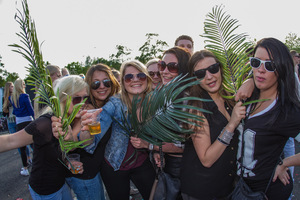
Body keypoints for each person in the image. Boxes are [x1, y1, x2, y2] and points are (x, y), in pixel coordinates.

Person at [58, 60, 156, 200]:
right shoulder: (113, 104)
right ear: (123, 81)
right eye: (129, 77)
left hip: (142, 162)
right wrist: (86, 131)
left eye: (140, 75)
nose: (135, 80)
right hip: (114, 166)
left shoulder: (153, 102)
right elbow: (90, 141)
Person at [0, 75, 85, 200]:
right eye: (77, 99)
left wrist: (68, 162)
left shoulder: (72, 119)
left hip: (60, 184)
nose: (83, 103)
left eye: (86, 98)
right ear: (62, 99)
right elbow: (10, 141)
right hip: (45, 191)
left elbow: (55, 151)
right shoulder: (45, 124)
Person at [237, 38, 300, 199]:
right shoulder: (248, 97)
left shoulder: (286, 111)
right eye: (256, 62)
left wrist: (284, 163)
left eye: (270, 65)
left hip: (268, 191)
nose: (261, 70)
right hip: (240, 188)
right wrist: (248, 80)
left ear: (282, 69)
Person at [180, 50, 246, 199]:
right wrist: (231, 124)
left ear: (220, 68)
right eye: (200, 74)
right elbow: (206, 159)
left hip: (227, 186)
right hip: (203, 190)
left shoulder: (230, 98)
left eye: (213, 69)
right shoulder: (195, 108)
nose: (209, 76)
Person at [130, 47, 191, 200]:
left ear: (183, 69)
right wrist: (157, 151)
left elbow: (182, 145)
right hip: (165, 167)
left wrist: (148, 145)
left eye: (172, 67)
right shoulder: (164, 95)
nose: (164, 71)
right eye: (162, 65)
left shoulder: (185, 100)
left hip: (181, 171)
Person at [64, 64, 120, 200]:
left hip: (96, 171)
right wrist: (67, 161)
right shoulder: (85, 108)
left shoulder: (109, 105)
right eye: (95, 84)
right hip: (85, 176)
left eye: (106, 82)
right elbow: (73, 142)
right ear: (89, 86)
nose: (102, 86)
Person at [9, 78, 35, 176]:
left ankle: (25, 168)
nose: (25, 85)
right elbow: (31, 110)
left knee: (22, 148)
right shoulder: (25, 96)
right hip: (28, 122)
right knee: (34, 145)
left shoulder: (11, 98)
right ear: (20, 86)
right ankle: (38, 164)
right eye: (23, 84)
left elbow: (15, 112)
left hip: (19, 123)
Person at [2, 82, 32, 164]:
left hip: (18, 120)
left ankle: (29, 158)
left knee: (26, 140)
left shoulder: (17, 96)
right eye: (11, 87)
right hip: (11, 122)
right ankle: (25, 161)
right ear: (8, 88)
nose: (12, 88)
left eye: (13, 86)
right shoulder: (6, 98)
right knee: (18, 143)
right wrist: (6, 106)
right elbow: (5, 113)